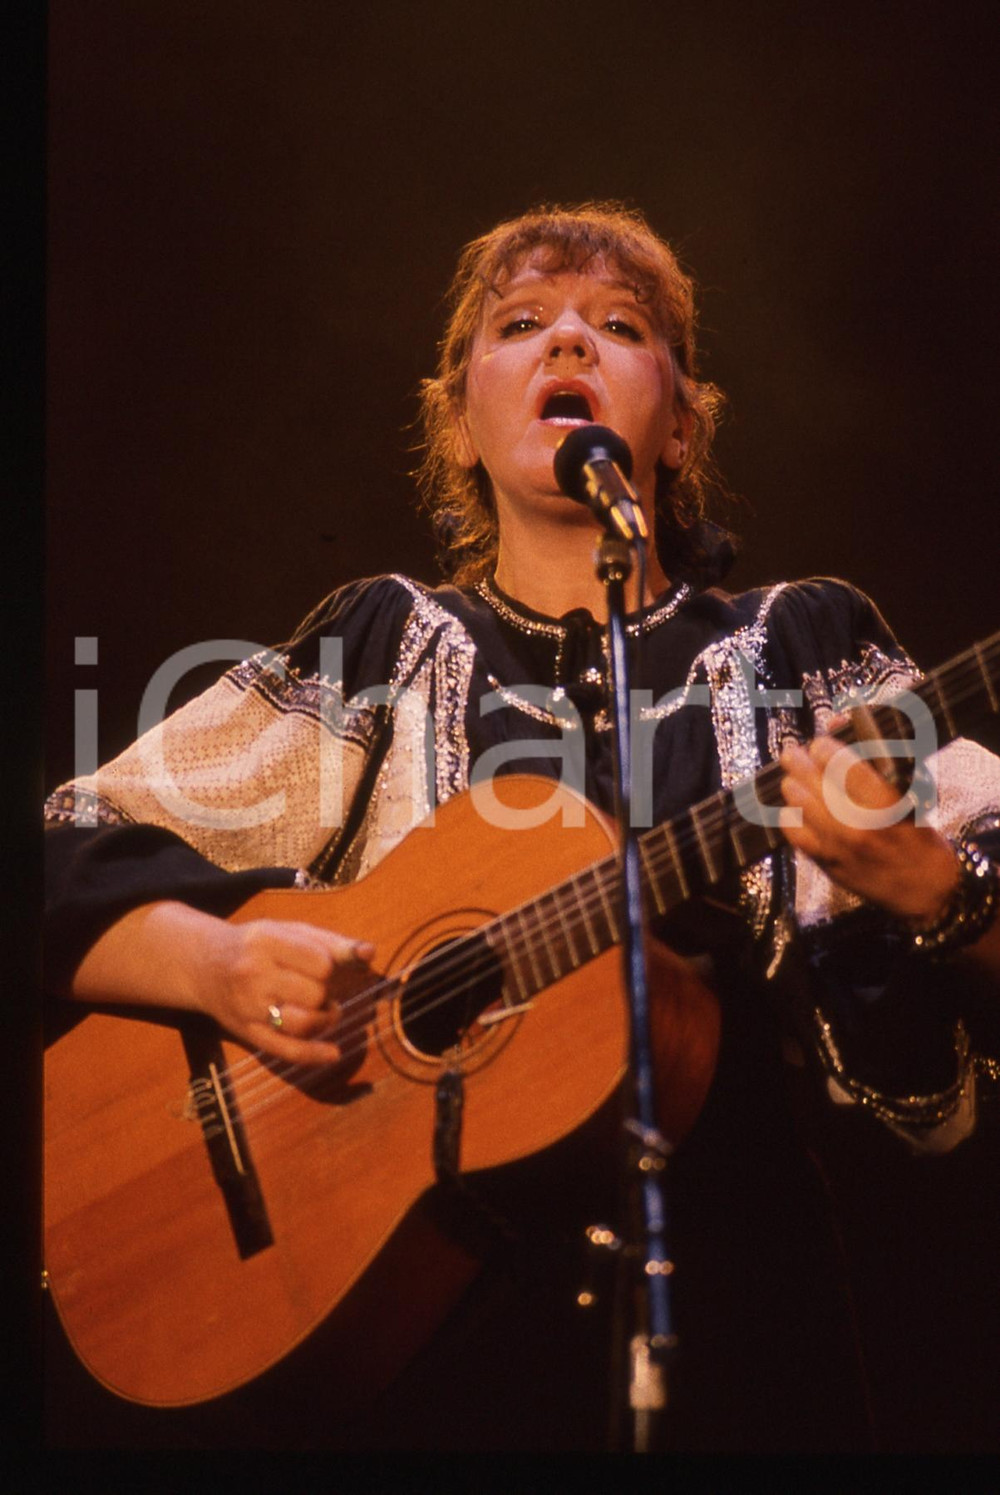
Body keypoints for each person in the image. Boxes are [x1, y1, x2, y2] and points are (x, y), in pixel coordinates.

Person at [43, 203, 1000, 1453]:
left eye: (617, 326)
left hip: (738, 1299)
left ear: (682, 420)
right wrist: (218, 962)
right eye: (519, 325)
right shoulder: (378, 644)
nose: (567, 344)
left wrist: (941, 894)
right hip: (423, 1337)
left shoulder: (801, 647)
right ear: (456, 417)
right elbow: (61, 850)